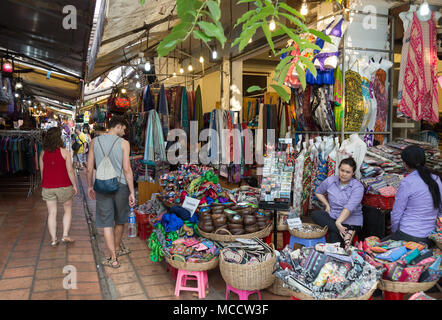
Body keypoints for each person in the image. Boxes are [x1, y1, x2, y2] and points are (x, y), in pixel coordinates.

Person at [86, 116, 136, 268]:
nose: (124, 132)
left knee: (106, 222)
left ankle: (113, 258)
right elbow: (127, 169)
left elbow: (89, 168)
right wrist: (132, 191)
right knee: (120, 220)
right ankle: (118, 248)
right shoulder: (124, 144)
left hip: (102, 185)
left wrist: (90, 186)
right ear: (118, 126)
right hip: (121, 185)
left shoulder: (94, 141)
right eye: (124, 129)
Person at [382, 145, 442, 246]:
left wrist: (396, 233)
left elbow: (396, 213)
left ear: (405, 164)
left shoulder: (408, 182)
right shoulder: (436, 179)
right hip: (429, 236)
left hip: (408, 234)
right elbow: (440, 211)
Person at [312, 157, 364, 248]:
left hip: (351, 221)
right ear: (338, 169)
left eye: (348, 172)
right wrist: (327, 204)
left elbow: (349, 207)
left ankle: (343, 233)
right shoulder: (331, 180)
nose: (344, 174)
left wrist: (338, 222)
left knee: (333, 237)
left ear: (353, 173)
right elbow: (318, 192)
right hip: (334, 218)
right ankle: (345, 234)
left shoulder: (358, 187)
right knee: (315, 214)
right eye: (342, 170)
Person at [39, 127, 78, 247]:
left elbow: (42, 172)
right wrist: (75, 185)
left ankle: (53, 239)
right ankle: (65, 235)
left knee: (52, 213)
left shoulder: (43, 153)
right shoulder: (65, 152)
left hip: (48, 186)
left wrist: (45, 184)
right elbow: (70, 171)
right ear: (59, 138)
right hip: (64, 185)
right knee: (67, 209)